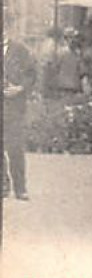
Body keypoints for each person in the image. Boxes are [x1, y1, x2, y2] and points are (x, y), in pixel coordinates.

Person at [3, 29, 37, 200]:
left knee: (15, 147)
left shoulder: (20, 50)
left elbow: (32, 74)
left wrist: (20, 88)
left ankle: (20, 187)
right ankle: (3, 185)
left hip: (14, 106)